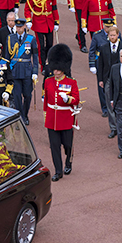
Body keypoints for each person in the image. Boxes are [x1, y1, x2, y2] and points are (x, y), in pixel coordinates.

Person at [43, 44, 80, 181]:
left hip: (66, 118)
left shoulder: (71, 82)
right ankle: (58, 171)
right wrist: (46, 115)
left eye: (58, 69)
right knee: (54, 147)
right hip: (52, 119)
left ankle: (68, 162)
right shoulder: (48, 82)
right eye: (54, 68)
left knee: (68, 145)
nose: (56, 71)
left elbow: (76, 99)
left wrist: (68, 99)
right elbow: (46, 101)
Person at [25, 0, 59, 76]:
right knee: (41, 46)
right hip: (39, 22)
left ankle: (49, 63)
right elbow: (27, 8)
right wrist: (28, 20)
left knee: (50, 44)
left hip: (49, 21)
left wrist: (56, 21)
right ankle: (42, 65)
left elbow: (54, 7)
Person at [6, 18, 38, 125]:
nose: (19, 28)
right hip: (14, 71)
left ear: (24, 27)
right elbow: (7, 57)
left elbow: (35, 57)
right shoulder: (10, 38)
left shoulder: (31, 39)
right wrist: (7, 72)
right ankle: (21, 116)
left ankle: (25, 113)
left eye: (20, 26)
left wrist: (35, 72)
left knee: (28, 95)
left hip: (27, 71)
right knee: (16, 95)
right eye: (17, 27)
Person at [89, 18, 118, 118]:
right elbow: (92, 51)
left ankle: (114, 105)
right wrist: (92, 65)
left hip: (114, 63)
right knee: (102, 86)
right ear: (103, 26)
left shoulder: (116, 35)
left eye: (110, 27)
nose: (108, 29)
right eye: (107, 27)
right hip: (101, 63)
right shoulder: (97, 36)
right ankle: (105, 108)